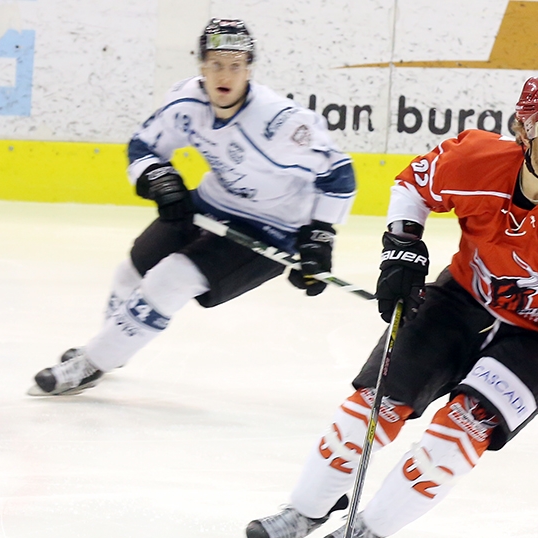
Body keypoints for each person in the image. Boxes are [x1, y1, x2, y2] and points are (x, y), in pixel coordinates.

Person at [242, 75, 538, 538]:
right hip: (461, 300)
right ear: (524, 131)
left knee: (461, 430)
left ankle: (368, 529)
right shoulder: (475, 159)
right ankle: (305, 510)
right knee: (373, 406)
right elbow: (413, 185)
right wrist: (402, 247)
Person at [29, 18, 356, 396]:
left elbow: (339, 175)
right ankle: (110, 348)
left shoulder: (280, 123)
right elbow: (144, 146)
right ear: (202, 66)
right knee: (132, 269)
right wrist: (159, 179)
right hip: (213, 201)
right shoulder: (187, 102)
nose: (225, 75)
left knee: (171, 278)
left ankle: (91, 364)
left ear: (249, 69)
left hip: (273, 226)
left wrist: (319, 238)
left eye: (236, 66)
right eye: (216, 64)